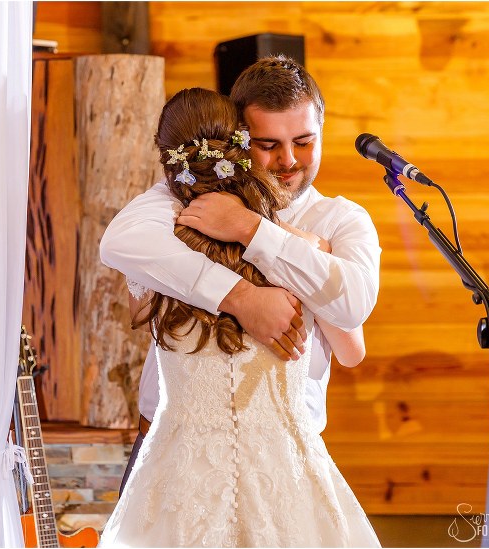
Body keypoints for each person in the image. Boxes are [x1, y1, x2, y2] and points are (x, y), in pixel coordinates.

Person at [98, 87, 379, 547]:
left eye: (304, 141)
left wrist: (256, 230)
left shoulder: (336, 221)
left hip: (285, 450)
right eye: (268, 145)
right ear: (238, 141)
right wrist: (242, 296)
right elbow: (120, 247)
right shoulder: (173, 209)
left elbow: (352, 329)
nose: (289, 160)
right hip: (174, 447)